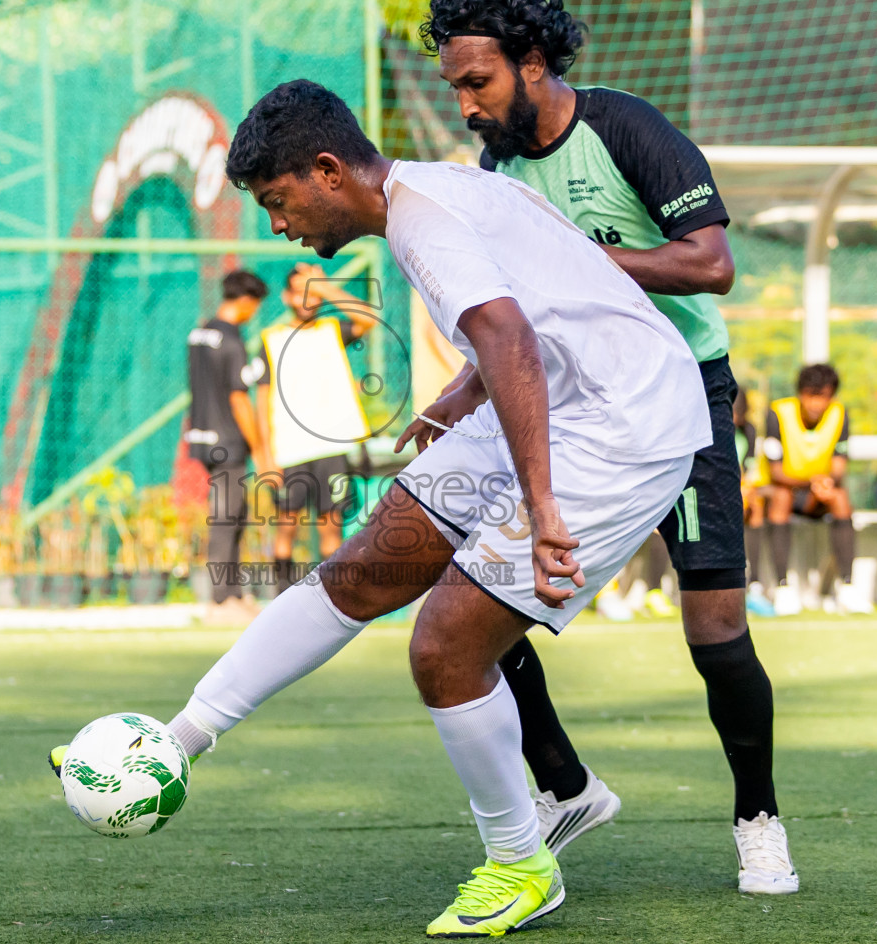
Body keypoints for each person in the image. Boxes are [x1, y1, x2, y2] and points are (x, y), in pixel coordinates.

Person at [125, 79, 708, 936]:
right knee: (361, 572)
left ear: (328, 171)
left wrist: (542, 506)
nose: (279, 226)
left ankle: (520, 864)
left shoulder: (424, 219)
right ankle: (179, 741)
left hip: (621, 426)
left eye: (280, 203)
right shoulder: (435, 191)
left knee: (445, 645)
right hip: (558, 401)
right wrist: (465, 390)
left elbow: (511, 333)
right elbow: (545, 304)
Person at [420, 0, 795, 895]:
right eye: (455, 86)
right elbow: (523, 314)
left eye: (479, 83)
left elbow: (711, 264)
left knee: (716, 630)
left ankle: (758, 818)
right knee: (476, 591)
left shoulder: (627, 128)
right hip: (581, 408)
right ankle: (566, 786)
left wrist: (587, 260)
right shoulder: (499, 170)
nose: (466, 104)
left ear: (534, 62)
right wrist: (463, 392)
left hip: (686, 404)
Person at [252, 263, 377, 593]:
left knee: (330, 528)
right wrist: (265, 455)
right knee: (286, 528)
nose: (308, 299)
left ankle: (331, 598)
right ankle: (281, 599)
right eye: (302, 291)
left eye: (313, 292)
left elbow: (368, 319)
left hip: (331, 449)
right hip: (290, 451)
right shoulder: (271, 340)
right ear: (287, 297)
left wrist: (325, 287)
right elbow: (262, 404)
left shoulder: (332, 330)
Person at [185, 269, 271, 622]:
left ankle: (233, 594)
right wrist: (261, 446)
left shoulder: (199, 333)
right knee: (227, 518)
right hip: (229, 441)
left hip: (203, 435)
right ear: (247, 301)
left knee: (231, 515)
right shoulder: (233, 342)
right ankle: (222, 599)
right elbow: (239, 399)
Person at [762, 363, 858, 612]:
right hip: (786, 491)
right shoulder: (778, 413)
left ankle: (847, 587)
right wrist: (811, 482)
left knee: (840, 498)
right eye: (811, 396)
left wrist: (826, 482)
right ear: (800, 394)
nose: (816, 404)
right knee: (781, 498)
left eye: (823, 397)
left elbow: (838, 466)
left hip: (818, 494)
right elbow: (776, 472)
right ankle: (783, 588)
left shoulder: (840, 414)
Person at [736, 388, 773, 614]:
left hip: (741, 491)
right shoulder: (709, 428)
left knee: (755, 505)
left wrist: (745, 487)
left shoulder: (748, 430)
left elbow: (748, 469)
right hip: (714, 493)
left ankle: (754, 583)